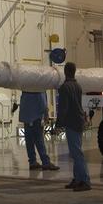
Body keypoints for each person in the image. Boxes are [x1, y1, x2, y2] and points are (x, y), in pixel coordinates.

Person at [55, 62, 90, 191]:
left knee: (77, 154)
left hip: (72, 123)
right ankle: (78, 179)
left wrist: (58, 124)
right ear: (74, 72)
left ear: (65, 72)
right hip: (79, 121)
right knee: (76, 153)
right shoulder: (78, 86)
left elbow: (63, 108)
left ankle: (85, 181)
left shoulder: (65, 87)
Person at [19, 90, 59, 171]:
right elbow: (42, 100)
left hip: (26, 116)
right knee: (39, 139)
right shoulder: (38, 85)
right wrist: (46, 113)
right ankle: (46, 162)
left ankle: (32, 162)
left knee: (29, 140)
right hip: (35, 116)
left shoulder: (25, 86)